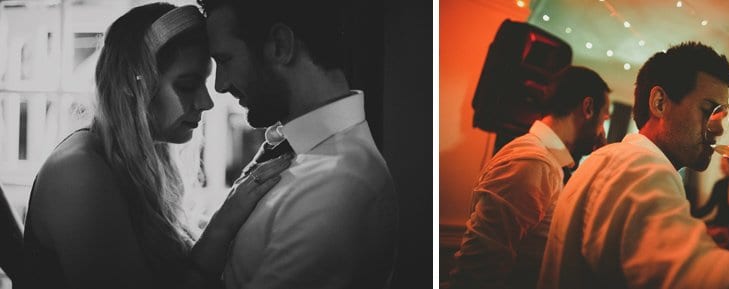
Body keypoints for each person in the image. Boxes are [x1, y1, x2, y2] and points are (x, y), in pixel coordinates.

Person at [20, 3, 292, 288]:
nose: (206, 102)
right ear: (133, 85)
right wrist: (222, 226)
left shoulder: (144, 156)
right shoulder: (77, 173)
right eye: (187, 85)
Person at [539, 42, 729, 289]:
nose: (719, 128)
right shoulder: (638, 170)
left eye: (721, 115)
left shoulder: (618, 160)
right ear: (659, 103)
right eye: (708, 110)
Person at [197, 0, 400, 288]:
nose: (220, 84)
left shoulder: (336, 186)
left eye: (226, 60)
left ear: (280, 46)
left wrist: (212, 241)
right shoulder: (292, 147)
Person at [448, 66, 611, 289]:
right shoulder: (532, 162)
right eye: (604, 119)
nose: (602, 133)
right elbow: (479, 270)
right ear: (588, 108)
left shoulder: (548, 163)